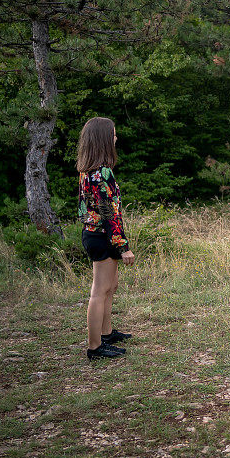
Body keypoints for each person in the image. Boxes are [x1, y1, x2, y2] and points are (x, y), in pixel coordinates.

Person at [77, 117, 135, 361]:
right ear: (103, 139)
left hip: (97, 234)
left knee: (110, 288)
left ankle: (107, 333)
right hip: (102, 236)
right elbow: (109, 213)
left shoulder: (87, 171)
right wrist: (123, 247)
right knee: (99, 291)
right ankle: (94, 347)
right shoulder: (102, 173)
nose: (116, 138)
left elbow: (84, 210)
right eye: (113, 134)